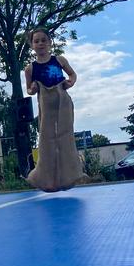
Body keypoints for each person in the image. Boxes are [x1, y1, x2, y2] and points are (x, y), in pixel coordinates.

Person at [24, 28, 83, 191]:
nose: (41, 43)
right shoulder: (30, 69)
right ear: (32, 45)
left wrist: (70, 82)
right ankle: (47, 180)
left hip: (63, 101)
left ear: (50, 42)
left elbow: (72, 75)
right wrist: (33, 88)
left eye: (44, 40)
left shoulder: (59, 60)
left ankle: (69, 177)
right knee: (46, 140)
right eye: (36, 41)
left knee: (65, 137)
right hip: (45, 104)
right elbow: (28, 89)